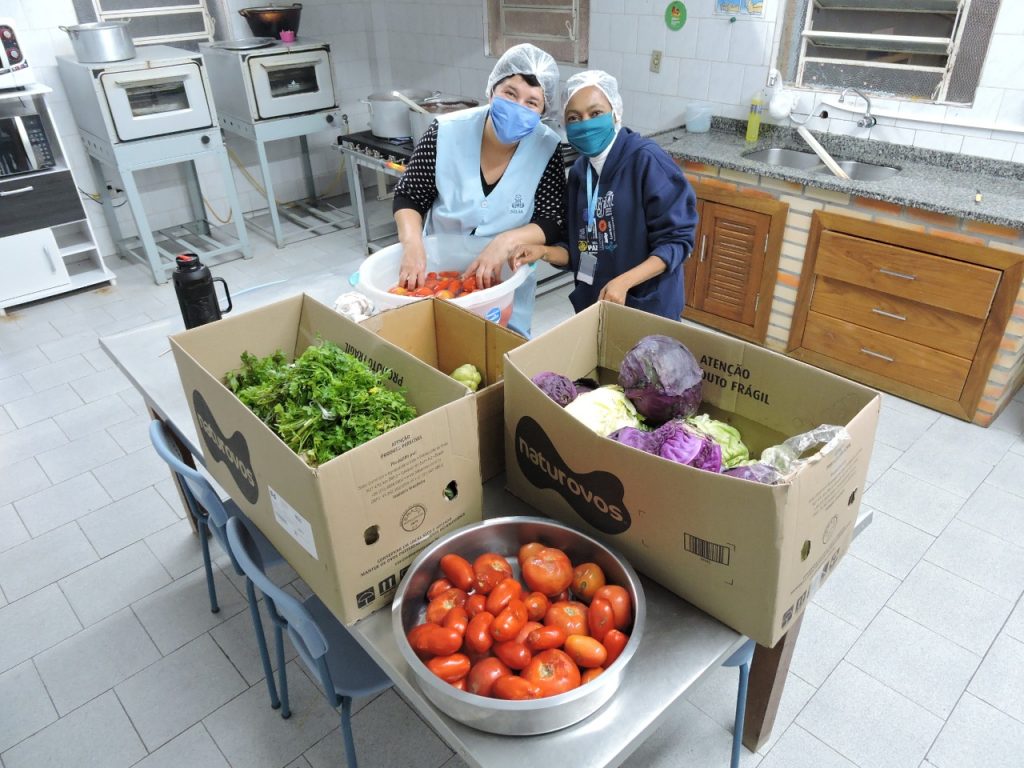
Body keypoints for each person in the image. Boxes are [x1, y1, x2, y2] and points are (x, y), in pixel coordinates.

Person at [391, 44, 566, 336]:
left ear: (543, 112)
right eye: (510, 93)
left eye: (532, 102)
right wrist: (411, 245)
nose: (518, 107)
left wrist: (505, 242)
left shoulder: (547, 147)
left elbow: (551, 220)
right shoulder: (445, 132)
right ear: (491, 90)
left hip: (505, 282)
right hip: (438, 276)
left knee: (501, 357)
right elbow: (410, 196)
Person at [511, 70, 698, 320]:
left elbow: (677, 242)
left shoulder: (647, 162)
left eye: (595, 113)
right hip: (597, 304)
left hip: (647, 307)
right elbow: (578, 249)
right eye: (574, 118)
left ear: (615, 113)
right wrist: (543, 251)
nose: (585, 123)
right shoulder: (580, 173)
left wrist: (625, 282)